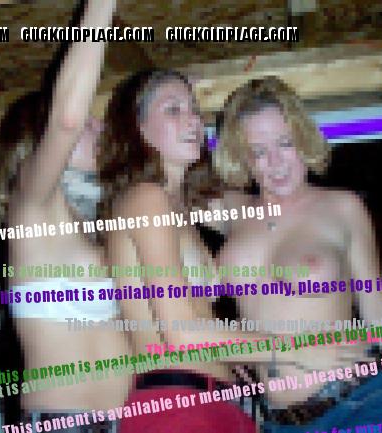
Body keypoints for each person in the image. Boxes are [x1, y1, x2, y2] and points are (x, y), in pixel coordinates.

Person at [214, 76, 382, 432]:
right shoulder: (230, 210)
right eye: (259, 151)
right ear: (242, 158)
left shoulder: (342, 207)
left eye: (285, 143)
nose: (275, 162)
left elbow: (378, 310)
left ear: (304, 139)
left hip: (363, 403)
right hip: (280, 423)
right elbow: (162, 188)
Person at [97, 69, 264, 433]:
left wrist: (232, 347)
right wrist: (300, 348)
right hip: (177, 407)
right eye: (173, 109)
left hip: (211, 402)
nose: (193, 120)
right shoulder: (146, 198)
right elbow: (181, 334)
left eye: (194, 109)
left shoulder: (179, 208)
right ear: (137, 128)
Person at [0, 1, 127, 431]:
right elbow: (67, 118)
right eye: (91, 122)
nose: (101, 129)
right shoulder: (30, 205)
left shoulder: (93, 225)